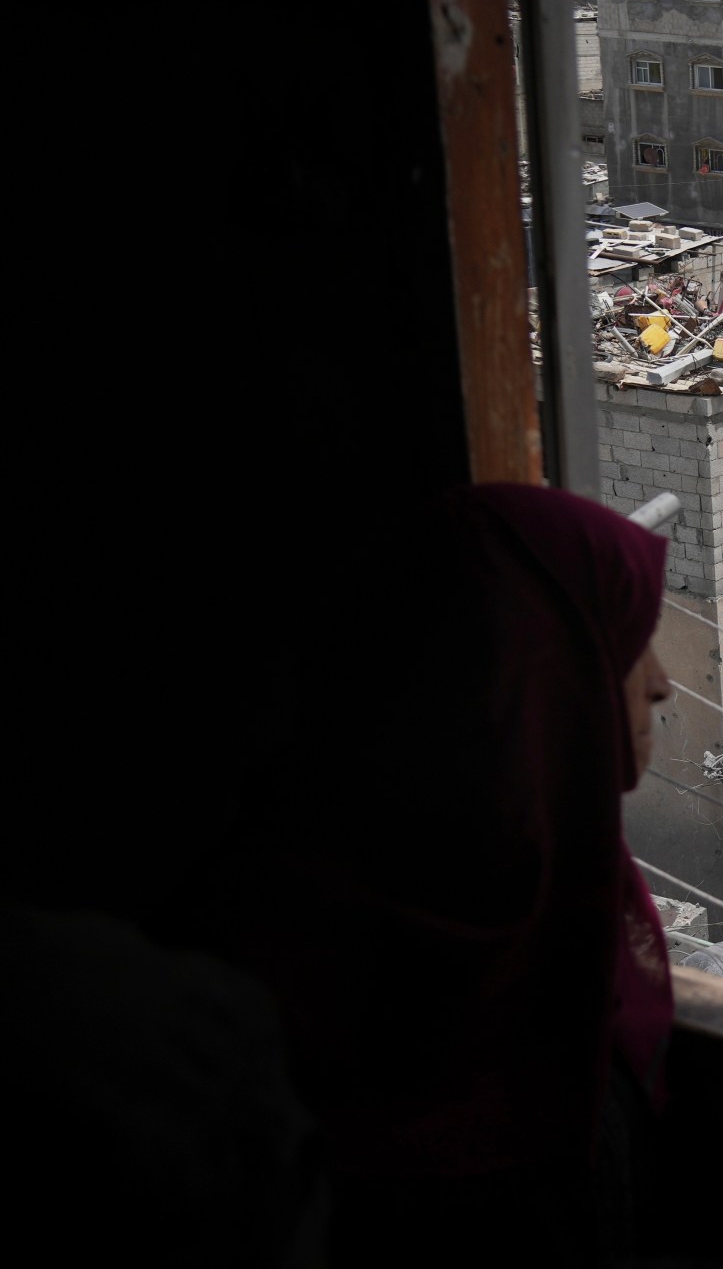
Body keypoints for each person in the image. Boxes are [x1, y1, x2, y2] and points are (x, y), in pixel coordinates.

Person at [245, 485, 681, 1258]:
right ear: (527, 677)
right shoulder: (441, 1072)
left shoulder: (551, 910)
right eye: (624, 642)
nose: (660, 683)